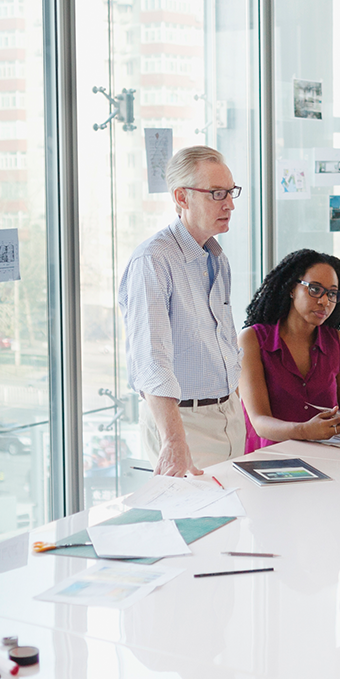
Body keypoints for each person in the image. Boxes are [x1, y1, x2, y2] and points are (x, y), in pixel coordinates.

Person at [116, 146, 246, 476]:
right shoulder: (153, 261)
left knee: (238, 521)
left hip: (229, 416)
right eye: (217, 194)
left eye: (231, 193)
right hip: (182, 424)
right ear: (182, 197)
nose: (229, 204)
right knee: (199, 523)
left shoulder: (217, 257)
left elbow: (223, 340)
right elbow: (150, 359)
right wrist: (173, 440)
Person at [237, 249, 340, 452]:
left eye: (332, 294)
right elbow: (259, 422)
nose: (324, 302)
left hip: (330, 458)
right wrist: (305, 431)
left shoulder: (339, 343)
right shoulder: (252, 340)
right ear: (292, 288)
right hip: (271, 462)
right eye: (315, 289)